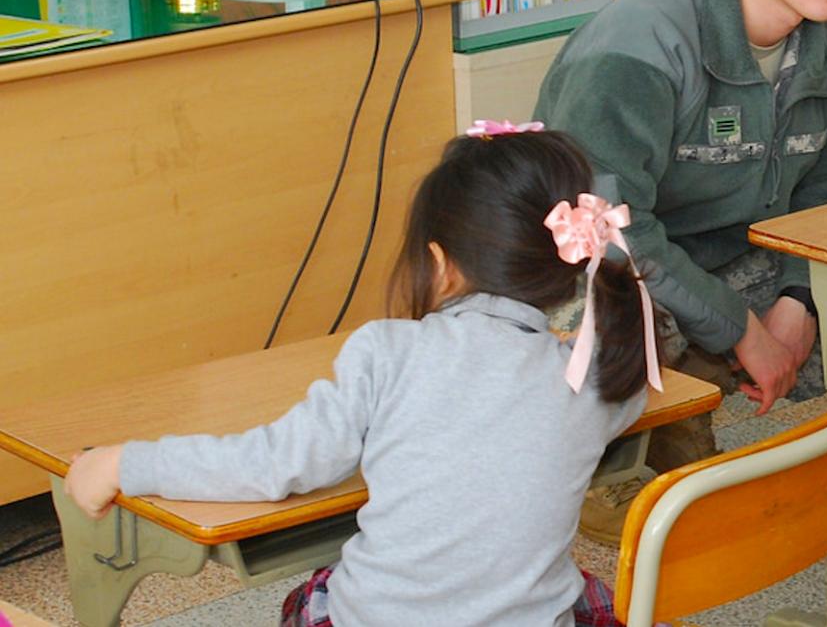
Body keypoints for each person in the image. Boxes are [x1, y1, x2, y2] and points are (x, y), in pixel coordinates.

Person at [64, 127, 660, 627]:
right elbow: (622, 382)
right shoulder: (595, 381)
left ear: (439, 266)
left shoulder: (386, 351)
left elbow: (273, 464)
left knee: (314, 596)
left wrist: (123, 463)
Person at [534, 0, 827, 473]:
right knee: (601, 321)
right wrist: (742, 329)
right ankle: (614, 467)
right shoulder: (639, 47)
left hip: (720, 255)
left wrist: (798, 301)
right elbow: (607, 229)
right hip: (594, 263)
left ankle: (686, 404)